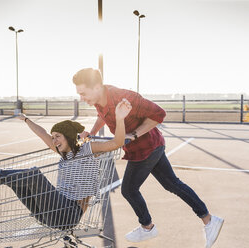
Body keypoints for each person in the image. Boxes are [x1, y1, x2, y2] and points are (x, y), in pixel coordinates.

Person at [73, 68, 224, 247]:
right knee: (172, 184)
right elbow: (102, 116)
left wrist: (134, 134)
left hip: (147, 149)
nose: (81, 98)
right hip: (149, 147)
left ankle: (147, 227)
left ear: (97, 87)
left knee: (129, 190)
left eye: (83, 93)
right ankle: (209, 220)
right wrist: (91, 133)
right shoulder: (99, 100)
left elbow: (159, 114)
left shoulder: (124, 98)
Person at [0, 99, 132, 230]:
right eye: (54, 137)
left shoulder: (88, 149)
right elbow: (42, 134)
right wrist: (27, 120)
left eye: (58, 137)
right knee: (22, 180)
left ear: (70, 137)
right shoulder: (62, 153)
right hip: (48, 212)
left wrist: (120, 119)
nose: (54, 140)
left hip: (68, 215)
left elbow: (117, 143)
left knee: (34, 175)